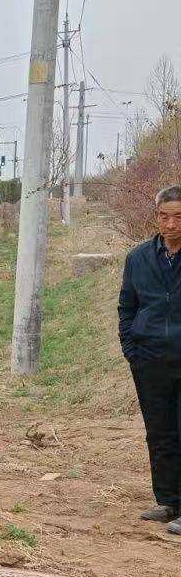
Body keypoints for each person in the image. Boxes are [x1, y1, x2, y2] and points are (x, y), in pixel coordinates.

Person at [118, 184, 181, 535]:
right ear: (156, 217)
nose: (171, 224)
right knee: (160, 432)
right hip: (150, 360)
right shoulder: (139, 258)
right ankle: (168, 500)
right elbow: (127, 305)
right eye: (164, 216)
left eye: (178, 217)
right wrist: (132, 348)